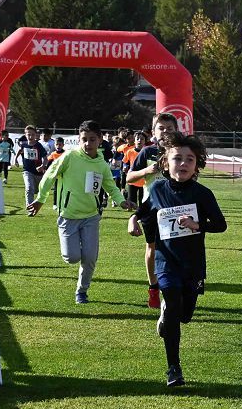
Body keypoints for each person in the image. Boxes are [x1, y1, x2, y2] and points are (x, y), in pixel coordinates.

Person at [128, 133, 227, 387]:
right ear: (165, 162)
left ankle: (168, 314)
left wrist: (196, 225)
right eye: (177, 158)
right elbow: (144, 210)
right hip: (166, 260)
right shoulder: (158, 188)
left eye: (189, 159)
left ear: (197, 165)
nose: (182, 164)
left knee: (184, 315)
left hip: (192, 264)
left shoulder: (202, 194)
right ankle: (174, 368)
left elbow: (220, 225)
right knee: (173, 306)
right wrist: (132, 220)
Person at [28, 121, 136, 304]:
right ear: (79, 140)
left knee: (90, 258)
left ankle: (82, 291)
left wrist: (121, 201)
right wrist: (40, 198)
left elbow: (110, 186)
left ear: (100, 140)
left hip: (91, 217)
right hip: (68, 216)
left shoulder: (102, 164)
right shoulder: (69, 157)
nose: (88, 143)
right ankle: (74, 247)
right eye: (84, 139)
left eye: (92, 139)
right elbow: (50, 175)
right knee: (72, 257)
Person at [126, 112, 179, 309]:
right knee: (153, 248)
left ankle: (173, 288)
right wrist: (146, 171)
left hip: (177, 209)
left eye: (170, 128)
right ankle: (153, 288)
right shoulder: (146, 153)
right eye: (161, 128)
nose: (165, 132)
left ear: (177, 130)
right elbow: (129, 178)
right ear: (153, 132)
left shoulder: (181, 151)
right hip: (151, 209)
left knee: (177, 250)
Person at [15, 125, 49, 207]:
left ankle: (34, 200)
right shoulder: (24, 144)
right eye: (28, 134)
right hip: (27, 171)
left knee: (37, 190)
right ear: (25, 134)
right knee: (29, 188)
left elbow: (45, 158)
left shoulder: (38, 146)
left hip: (38, 172)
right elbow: (20, 151)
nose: (30, 136)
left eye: (32, 134)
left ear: (36, 135)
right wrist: (15, 159)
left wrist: (42, 166)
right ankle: (30, 207)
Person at [122, 131, 149, 206]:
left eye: (142, 139)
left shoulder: (147, 152)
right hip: (133, 180)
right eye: (138, 139)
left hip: (144, 182)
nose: (139, 140)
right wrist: (125, 167)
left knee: (143, 203)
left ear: (145, 141)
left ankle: (142, 216)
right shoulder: (129, 152)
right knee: (132, 203)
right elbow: (125, 162)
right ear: (134, 140)